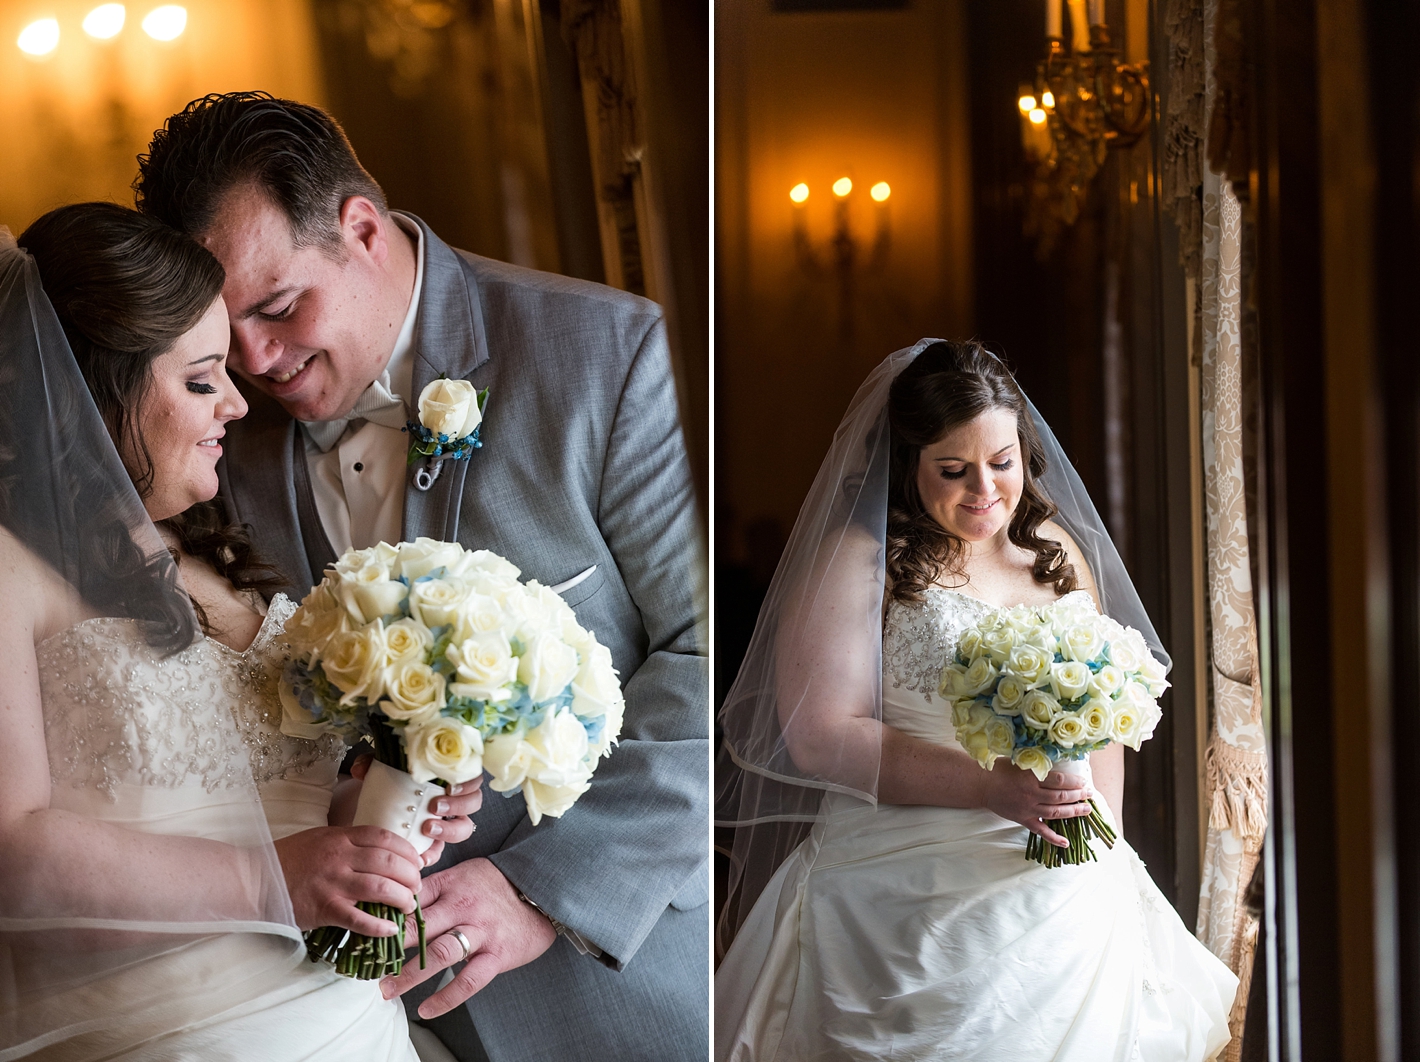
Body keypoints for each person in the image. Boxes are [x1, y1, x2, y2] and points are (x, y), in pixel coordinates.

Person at [132, 92, 708, 1062]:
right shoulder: (216, 436)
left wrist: (539, 893)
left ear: (361, 227)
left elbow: (707, 658)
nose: (259, 362)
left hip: (611, 990)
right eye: (229, 337)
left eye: (277, 308)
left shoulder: (603, 359)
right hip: (356, 1015)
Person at [0, 204, 480, 1060]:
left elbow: (270, 807)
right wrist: (272, 879)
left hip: (350, 1025)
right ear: (86, 395)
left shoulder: (213, 552)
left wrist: (381, 810)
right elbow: (11, 847)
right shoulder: (9, 567)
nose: (235, 402)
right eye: (199, 379)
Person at [714, 340, 1237, 1061]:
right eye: (953, 471)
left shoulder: (1054, 551)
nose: (984, 492)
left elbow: (1102, 708)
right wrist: (991, 789)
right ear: (907, 466)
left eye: (1002, 463)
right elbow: (820, 735)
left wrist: (1099, 843)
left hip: (1065, 868)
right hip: (903, 867)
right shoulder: (861, 563)